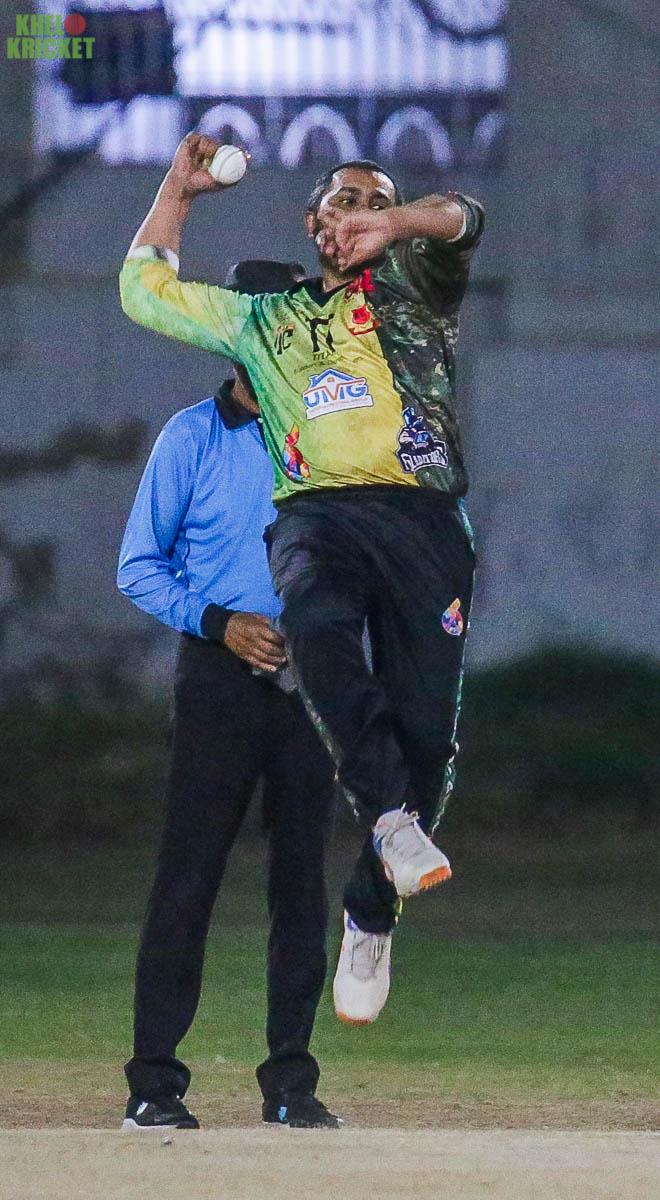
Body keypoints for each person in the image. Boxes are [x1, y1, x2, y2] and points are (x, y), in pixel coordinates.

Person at [119, 132, 484, 1029]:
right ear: (312, 221)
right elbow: (142, 288)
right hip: (318, 512)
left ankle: (372, 909)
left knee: (427, 736)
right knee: (314, 624)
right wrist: (178, 190)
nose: (361, 212)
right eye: (345, 200)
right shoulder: (263, 318)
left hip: (425, 520)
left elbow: (464, 219)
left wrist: (399, 224)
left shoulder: (413, 286)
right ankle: (388, 822)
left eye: (376, 200)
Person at [116, 259, 341, 1131]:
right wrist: (218, 622)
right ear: (229, 334)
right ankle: (153, 1086)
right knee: (188, 878)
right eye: (260, 324)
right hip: (217, 681)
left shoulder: (331, 437)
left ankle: (290, 1087)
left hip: (311, 683)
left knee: (301, 886)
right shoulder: (191, 438)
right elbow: (138, 566)